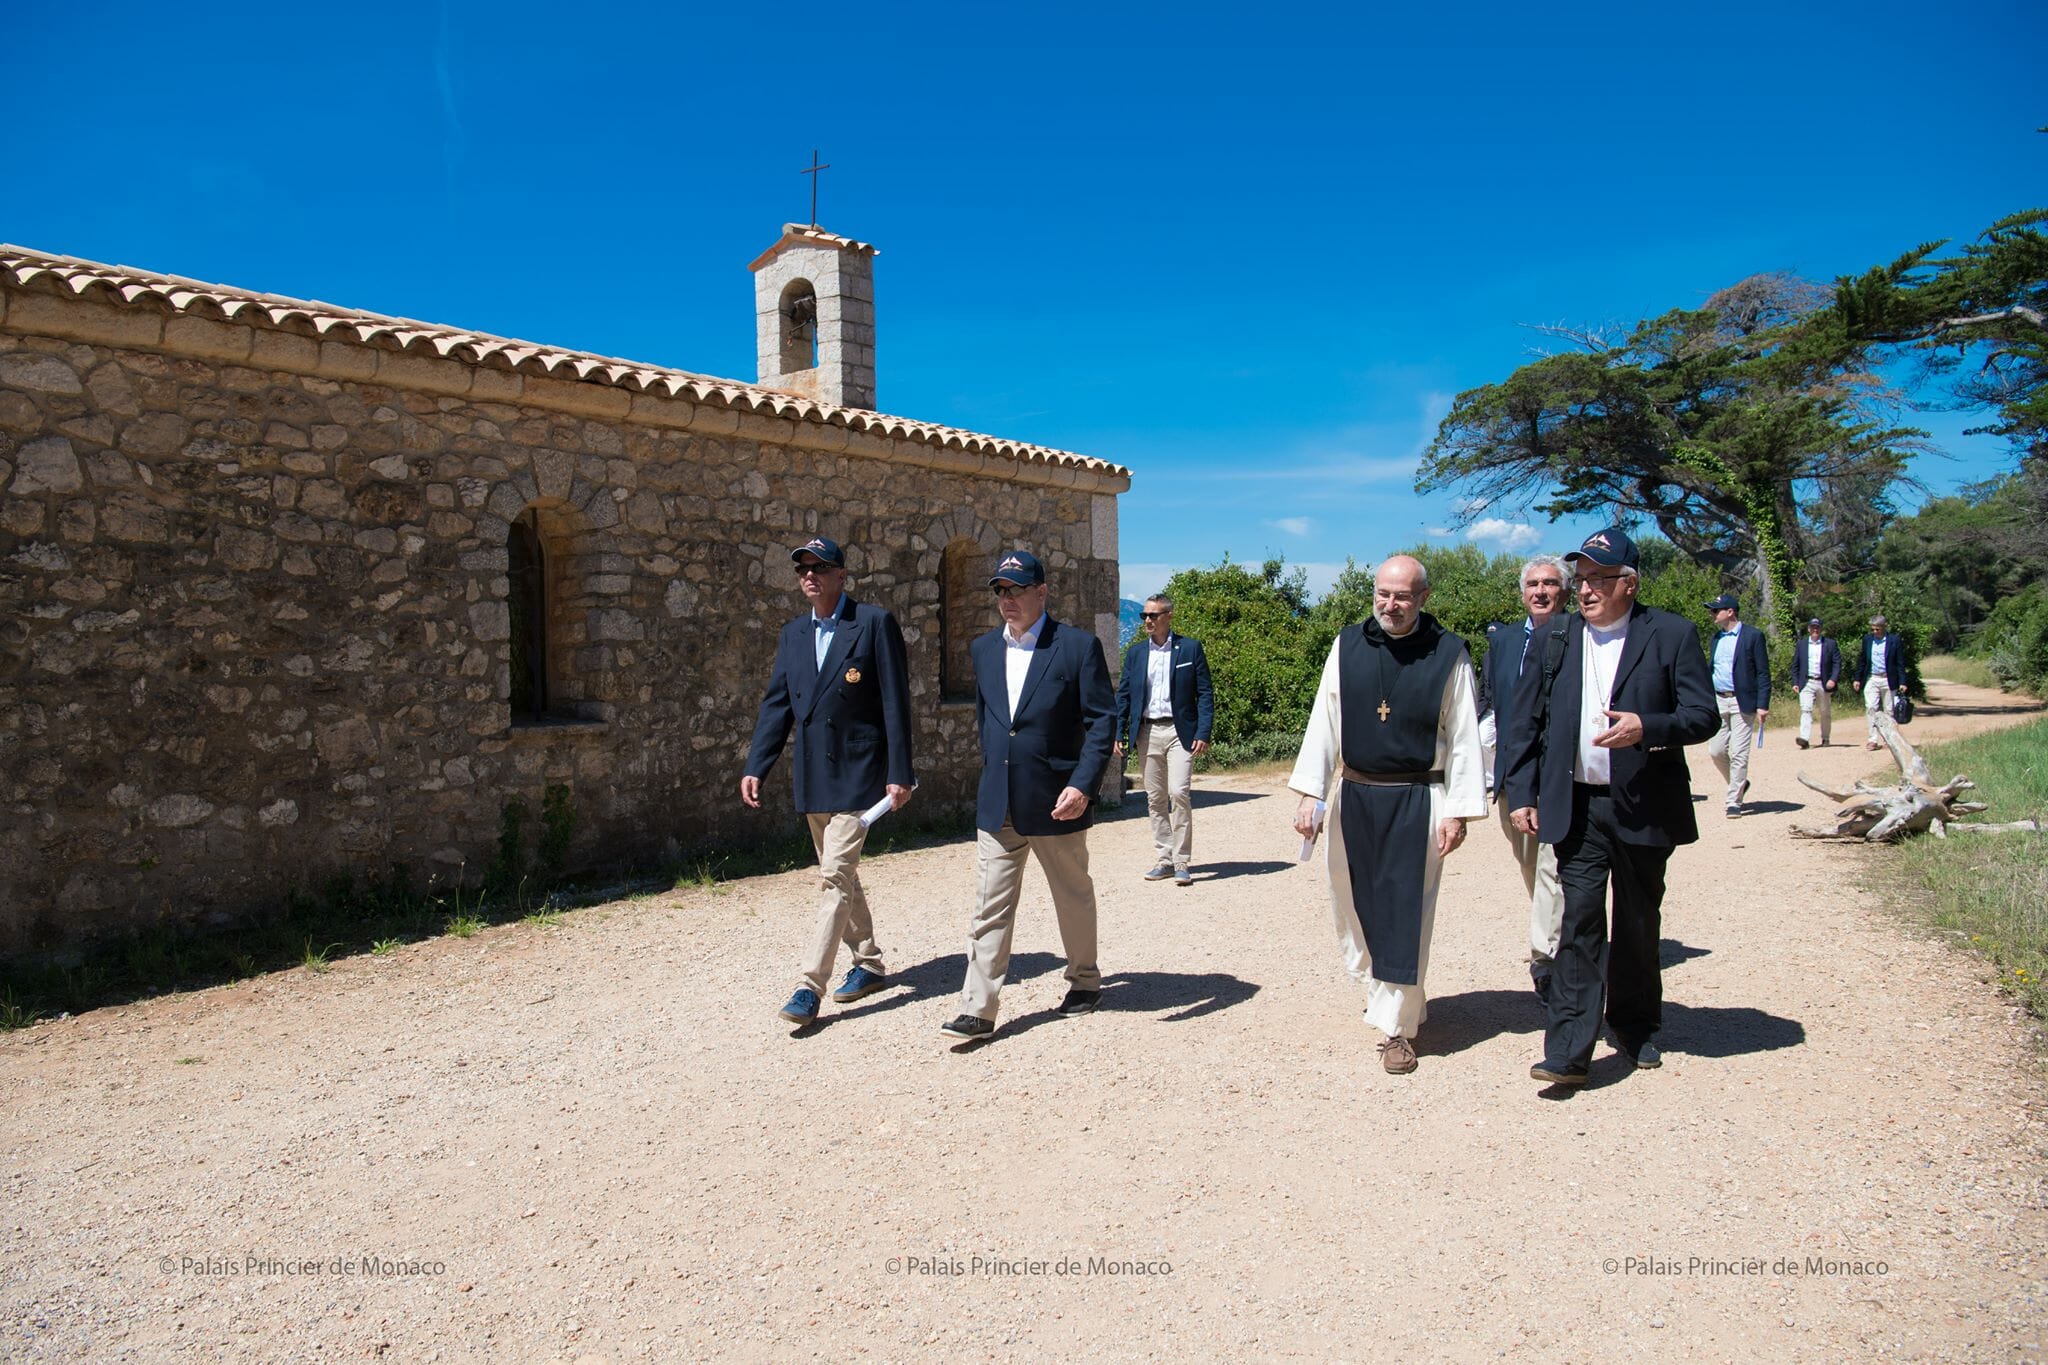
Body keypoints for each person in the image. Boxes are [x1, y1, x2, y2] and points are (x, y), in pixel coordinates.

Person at [1504, 527, 1717, 1087]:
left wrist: (1649, 727)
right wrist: (1522, 793)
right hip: (1576, 804)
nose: (1586, 590)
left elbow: (1702, 715)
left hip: (1644, 802)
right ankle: (1568, 1049)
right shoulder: (1557, 638)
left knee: (1639, 921)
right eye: (1583, 579)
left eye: (1599, 579)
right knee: (1578, 921)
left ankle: (1636, 1025)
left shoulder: (1670, 634)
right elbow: (1525, 721)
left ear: (1630, 583)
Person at [1287, 555, 1487, 1075]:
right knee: (1355, 903)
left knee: (1405, 910)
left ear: (1423, 598)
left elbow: (1464, 736)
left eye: (1401, 596)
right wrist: (1311, 792)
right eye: (1382, 594)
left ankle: (1397, 1029)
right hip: (1355, 793)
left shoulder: (1449, 654)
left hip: (1417, 799)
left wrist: (1460, 811)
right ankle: (1392, 995)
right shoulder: (1348, 644)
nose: (1390, 605)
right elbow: (1325, 718)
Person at [941, 550, 1117, 1041]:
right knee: (989, 905)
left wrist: (1083, 783)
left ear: (1042, 592)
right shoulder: (981, 650)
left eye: (1016, 589)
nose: (1007, 599)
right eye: (1000, 590)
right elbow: (987, 721)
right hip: (999, 800)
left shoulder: (1077, 647)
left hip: (1057, 798)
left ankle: (1084, 981)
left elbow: (1102, 721)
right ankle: (978, 1007)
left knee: (1072, 895)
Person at [741, 536, 915, 1026]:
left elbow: (895, 705)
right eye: (802, 569)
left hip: (862, 774)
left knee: (833, 877)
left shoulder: (874, 624)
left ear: (842, 575)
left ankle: (808, 986)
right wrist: (758, 764)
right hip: (814, 774)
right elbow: (777, 705)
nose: (810, 575)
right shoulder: (794, 634)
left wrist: (900, 773)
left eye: (820, 567)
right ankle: (870, 964)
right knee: (842, 875)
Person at [1476, 554, 1569, 997]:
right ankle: (1558, 933)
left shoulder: (1579, 636)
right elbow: (1492, 701)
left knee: (1553, 868)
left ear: (1564, 591)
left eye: (1550, 583)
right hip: (1514, 775)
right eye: (1533, 584)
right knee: (1531, 864)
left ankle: (1547, 959)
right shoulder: (1505, 641)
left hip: (1561, 774)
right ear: (1522, 592)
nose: (1540, 591)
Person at [1114, 593, 1215, 887]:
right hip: (1145, 731)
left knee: (1179, 792)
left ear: (1168, 616)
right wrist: (1120, 732)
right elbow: (1124, 696)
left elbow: (1205, 693)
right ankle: (1165, 859)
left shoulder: (1190, 649)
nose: (1147, 620)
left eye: (1153, 615)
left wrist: (1203, 731)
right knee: (1155, 798)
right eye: (1144, 615)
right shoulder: (1135, 654)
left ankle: (1182, 861)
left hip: (1179, 731)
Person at [1704, 593, 1770, 817]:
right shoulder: (1716, 638)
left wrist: (1763, 704)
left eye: (1716, 610)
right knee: (1716, 750)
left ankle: (1734, 801)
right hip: (1719, 699)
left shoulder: (1753, 636)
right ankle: (1740, 782)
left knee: (1739, 752)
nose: (1712, 614)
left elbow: (1763, 672)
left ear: (1730, 612)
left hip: (1743, 701)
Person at [1855, 614, 1907, 749]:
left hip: (1888, 679)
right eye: (1873, 629)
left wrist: (1903, 681)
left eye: (1877, 629)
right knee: (1871, 707)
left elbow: (1900, 662)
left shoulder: (1894, 640)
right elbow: (1862, 661)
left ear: (1884, 627)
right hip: (1872, 677)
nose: (1875, 632)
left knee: (1889, 710)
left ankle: (1889, 739)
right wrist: (1857, 678)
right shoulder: (1867, 640)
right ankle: (1873, 739)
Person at [1790, 617, 1840, 749]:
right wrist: (1795, 682)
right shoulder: (1801, 644)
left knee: (1825, 712)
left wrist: (1833, 679)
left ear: (1821, 629)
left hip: (1823, 682)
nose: (1815, 630)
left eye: (1817, 627)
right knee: (1806, 709)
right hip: (1806, 682)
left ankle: (1825, 738)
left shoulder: (1830, 644)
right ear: (1808, 629)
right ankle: (1804, 738)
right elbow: (1795, 664)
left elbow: (1837, 663)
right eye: (1812, 627)